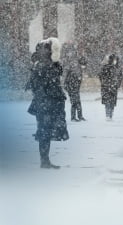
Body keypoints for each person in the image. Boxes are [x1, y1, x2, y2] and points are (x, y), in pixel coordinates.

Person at [27, 37, 69, 169]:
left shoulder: (49, 65)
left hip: (49, 103)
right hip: (45, 104)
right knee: (44, 132)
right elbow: (37, 87)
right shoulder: (41, 66)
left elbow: (56, 77)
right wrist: (45, 100)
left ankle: (45, 160)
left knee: (46, 132)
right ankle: (44, 161)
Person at [63, 42, 86, 122]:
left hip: (74, 84)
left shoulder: (76, 63)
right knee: (75, 101)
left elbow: (83, 64)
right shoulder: (70, 63)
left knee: (76, 100)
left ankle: (79, 116)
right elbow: (65, 74)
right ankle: (75, 117)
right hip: (71, 84)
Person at [98, 54, 123, 121]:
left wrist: (118, 84)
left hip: (111, 86)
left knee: (110, 102)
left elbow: (120, 77)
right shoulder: (107, 67)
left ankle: (109, 115)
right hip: (109, 86)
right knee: (109, 102)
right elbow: (100, 75)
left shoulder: (116, 68)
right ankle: (108, 115)